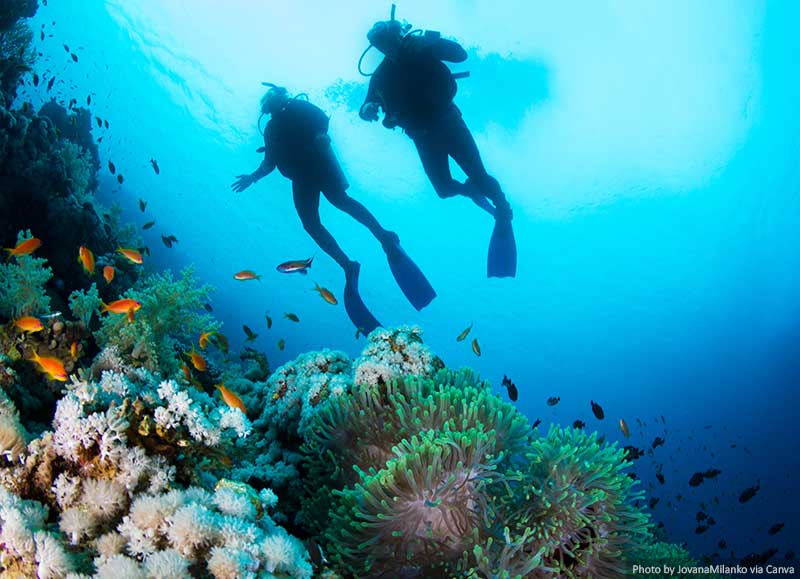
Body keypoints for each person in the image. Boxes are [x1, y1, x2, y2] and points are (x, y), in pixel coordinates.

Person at [232, 84, 435, 333]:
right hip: (301, 177)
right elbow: (269, 163)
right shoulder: (271, 129)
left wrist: (320, 135)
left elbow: (322, 120)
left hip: (319, 163)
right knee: (312, 223)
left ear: (279, 97)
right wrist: (252, 177)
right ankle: (348, 264)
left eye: (271, 99)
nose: (269, 103)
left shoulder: (298, 106)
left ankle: (383, 236)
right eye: (267, 102)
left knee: (341, 202)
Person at [359, 18, 517, 278]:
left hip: (450, 124)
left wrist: (433, 41)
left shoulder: (423, 47)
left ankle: (501, 206)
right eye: (380, 45)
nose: (387, 47)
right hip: (423, 138)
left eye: (388, 40)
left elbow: (460, 54)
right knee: (443, 190)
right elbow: (367, 105)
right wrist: (367, 110)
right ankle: (470, 190)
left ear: (399, 34)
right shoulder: (381, 76)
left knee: (479, 173)